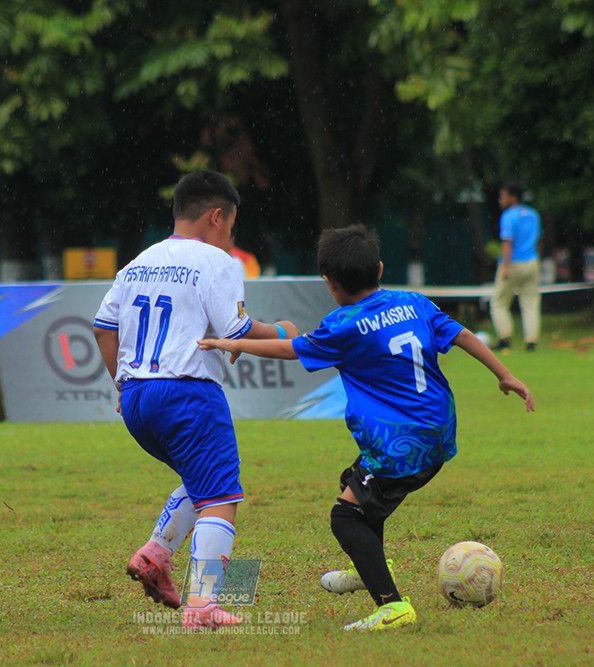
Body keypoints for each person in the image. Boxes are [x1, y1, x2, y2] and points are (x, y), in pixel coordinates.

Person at [198, 225, 534, 632]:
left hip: (399, 445)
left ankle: (392, 605)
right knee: (356, 485)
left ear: (329, 283)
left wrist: (235, 343)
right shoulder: (414, 302)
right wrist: (505, 374)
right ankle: (367, 566)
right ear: (379, 267)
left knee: (346, 517)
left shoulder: (343, 326)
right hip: (438, 432)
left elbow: (290, 347)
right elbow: (462, 335)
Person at [92, 171, 299, 630]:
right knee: (222, 494)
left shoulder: (139, 261)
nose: (230, 237)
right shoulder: (217, 261)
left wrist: (123, 385)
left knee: (202, 481)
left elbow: (103, 326)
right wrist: (282, 331)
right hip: (187, 391)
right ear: (217, 216)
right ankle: (203, 606)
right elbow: (237, 331)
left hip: (140, 397)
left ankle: (156, 553)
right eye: (231, 226)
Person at [490, 183, 542, 351]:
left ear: (513, 197)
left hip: (513, 263)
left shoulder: (508, 216)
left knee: (498, 302)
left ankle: (505, 339)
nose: (501, 200)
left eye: (503, 196)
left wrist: (505, 267)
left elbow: (507, 242)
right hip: (532, 262)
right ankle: (531, 342)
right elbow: (538, 240)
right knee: (530, 303)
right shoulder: (533, 214)